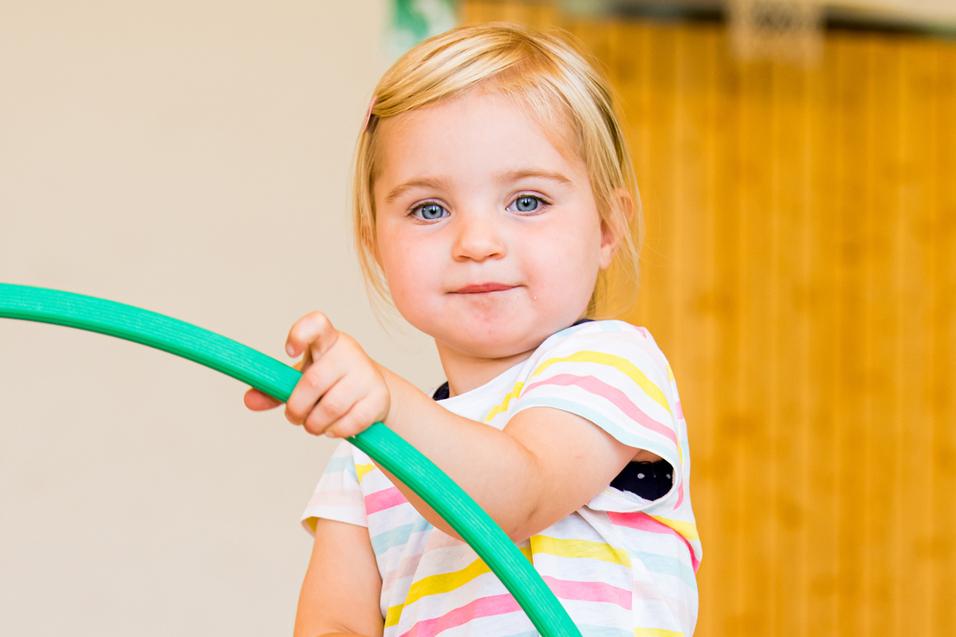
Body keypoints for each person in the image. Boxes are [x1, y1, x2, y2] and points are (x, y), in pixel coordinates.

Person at [244, 21, 701, 637]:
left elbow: (514, 496)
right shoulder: (363, 457)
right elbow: (333, 625)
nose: (477, 243)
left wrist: (383, 404)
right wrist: (377, 419)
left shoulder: (612, 364)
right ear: (375, 242)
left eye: (528, 201)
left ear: (607, 228)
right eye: (429, 209)